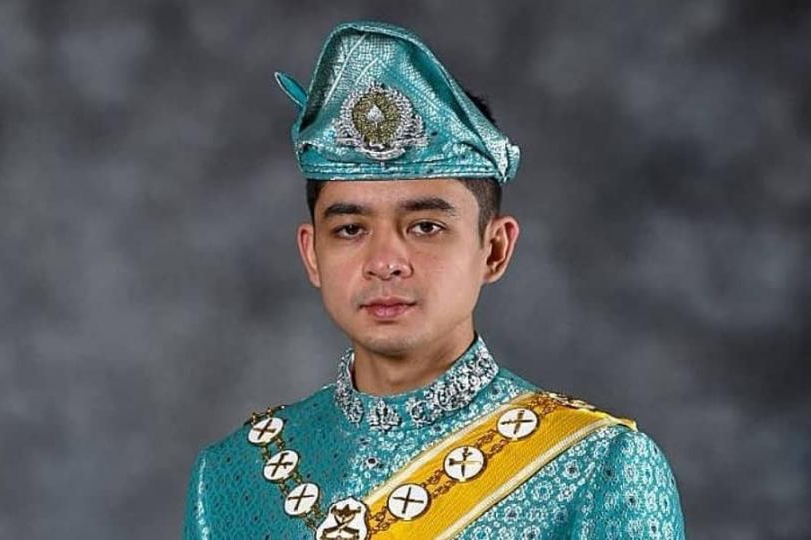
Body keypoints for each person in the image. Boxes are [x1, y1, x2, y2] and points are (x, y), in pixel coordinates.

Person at [183, 20, 685, 539]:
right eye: (350, 229)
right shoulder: (232, 477)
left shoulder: (596, 466)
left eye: (425, 227)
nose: (385, 261)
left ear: (494, 249)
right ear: (312, 254)